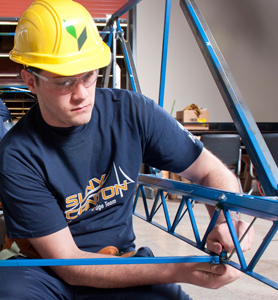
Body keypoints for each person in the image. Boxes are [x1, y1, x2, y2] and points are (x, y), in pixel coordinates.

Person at [0, 0, 254, 299]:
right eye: (64, 82)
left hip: (117, 262)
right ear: (30, 80)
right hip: (44, 268)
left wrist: (227, 223)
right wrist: (176, 269)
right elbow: (69, 263)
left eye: (88, 76)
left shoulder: (132, 113)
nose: (81, 94)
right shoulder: (17, 154)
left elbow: (210, 170)